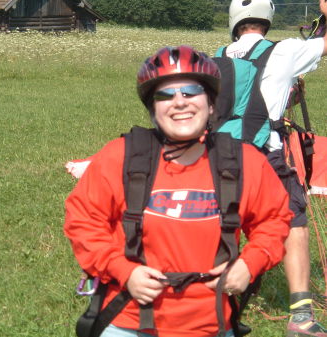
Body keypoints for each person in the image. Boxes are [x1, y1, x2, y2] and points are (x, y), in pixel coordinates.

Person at [64, 45, 291, 337]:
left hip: (212, 323)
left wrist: (251, 263)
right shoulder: (122, 157)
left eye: (191, 92)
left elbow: (274, 221)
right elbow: (83, 222)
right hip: (130, 319)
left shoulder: (243, 162)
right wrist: (123, 270)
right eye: (165, 95)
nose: (179, 102)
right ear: (153, 109)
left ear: (211, 104)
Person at [225, 1, 327, 336]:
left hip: (219, 153)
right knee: (293, 221)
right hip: (263, 155)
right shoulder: (283, 52)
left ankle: (210, 300)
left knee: (223, 222)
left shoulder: (219, 55)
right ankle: (300, 317)